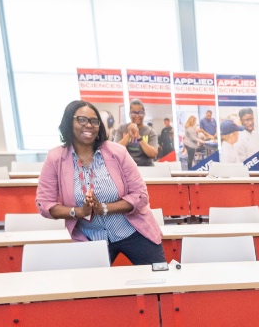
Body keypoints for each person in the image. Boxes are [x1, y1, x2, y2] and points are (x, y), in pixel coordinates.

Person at [35, 101, 164, 265]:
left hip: (134, 231)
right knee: (90, 288)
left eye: (94, 121)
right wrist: (79, 212)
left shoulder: (117, 152)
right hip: (90, 237)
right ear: (69, 122)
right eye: (81, 120)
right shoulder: (55, 158)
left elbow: (140, 195)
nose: (88, 125)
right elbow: (44, 204)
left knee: (159, 283)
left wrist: (103, 208)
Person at [112, 100, 159, 166]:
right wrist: (129, 135)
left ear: (144, 114)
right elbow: (115, 151)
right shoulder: (121, 128)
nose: (137, 116)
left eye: (140, 112)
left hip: (146, 168)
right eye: (134, 113)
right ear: (129, 114)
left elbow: (153, 154)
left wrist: (139, 138)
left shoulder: (150, 132)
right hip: (126, 168)